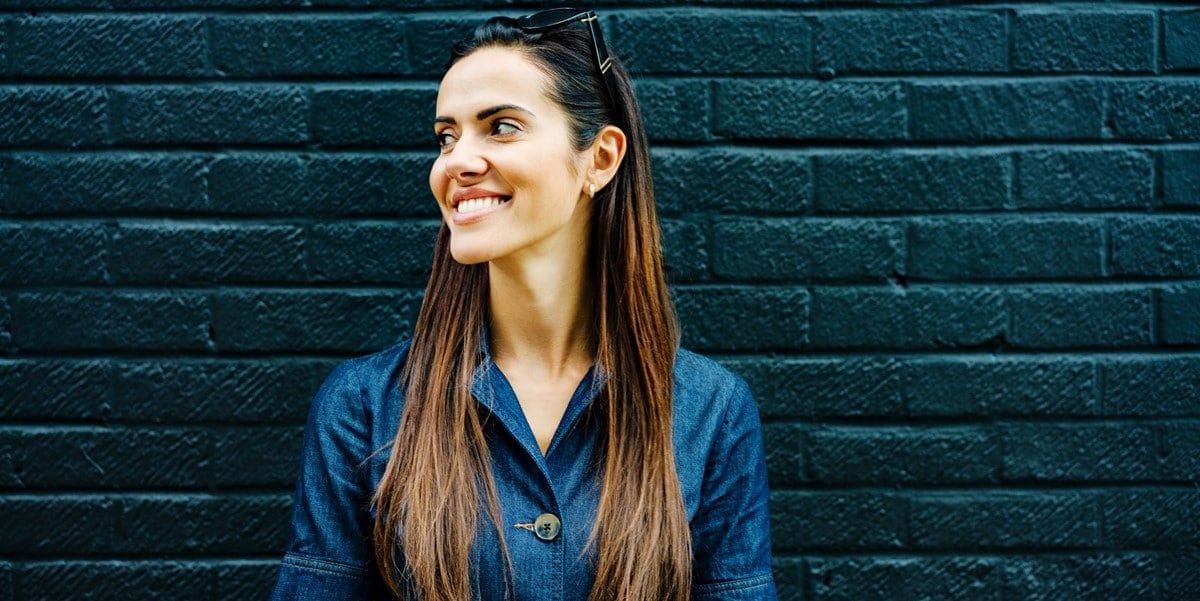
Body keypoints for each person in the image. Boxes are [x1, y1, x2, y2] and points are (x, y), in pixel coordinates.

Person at [268, 8, 776, 600]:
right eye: (446, 136)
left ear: (602, 159)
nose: (456, 161)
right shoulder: (365, 407)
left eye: (502, 126)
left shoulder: (709, 411)